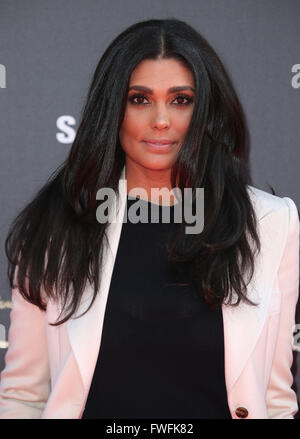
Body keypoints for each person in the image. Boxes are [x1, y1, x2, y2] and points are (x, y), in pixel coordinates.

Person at [0, 18, 299, 419]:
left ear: (206, 110)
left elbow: (276, 400)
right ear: (113, 110)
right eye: (140, 99)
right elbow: (22, 398)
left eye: (181, 100)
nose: (161, 119)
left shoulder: (271, 224)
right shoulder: (56, 229)